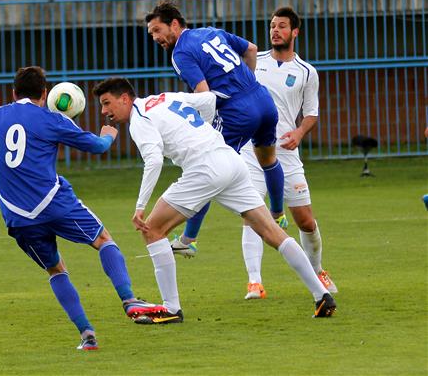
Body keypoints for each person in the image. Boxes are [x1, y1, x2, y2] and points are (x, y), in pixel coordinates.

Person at [0, 67, 167, 351]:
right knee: (103, 240)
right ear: (45, 94)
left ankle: (87, 335)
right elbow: (97, 147)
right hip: (55, 202)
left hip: (18, 217)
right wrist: (108, 134)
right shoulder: (52, 119)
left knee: (56, 269)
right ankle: (129, 300)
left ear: (13, 93)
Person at [94, 77, 337, 322]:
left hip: (204, 168)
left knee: (153, 228)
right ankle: (321, 294)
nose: (104, 111)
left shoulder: (139, 120)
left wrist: (140, 206)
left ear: (125, 98)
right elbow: (209, 99)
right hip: (230, 160)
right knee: (271, 231)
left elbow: (154, 160)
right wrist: (207, 130)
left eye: (107, 103)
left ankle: (171, 309)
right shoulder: (165, 98)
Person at [144, 0, 287, 259]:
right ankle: (278, 212)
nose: (155, 37)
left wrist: (204, 126)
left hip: (235, 111)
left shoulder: (181, 53)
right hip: (263, 99)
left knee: (207, 166)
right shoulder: (210, 31)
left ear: (174, 24)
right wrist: (248, 85)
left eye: (157, 30)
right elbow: (252, 49)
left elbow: (204, 94)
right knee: (268, 159)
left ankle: (189, 239)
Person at [239, 7, 337, 300]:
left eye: (282, 26)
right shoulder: (254, 62)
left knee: (305, 220)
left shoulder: (307, 72)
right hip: (252, 150)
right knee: (252, 211)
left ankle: (317, 269)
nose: (275, 31)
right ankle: (254, 282)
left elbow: (311, 114)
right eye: (272, 26)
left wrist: (298, 133)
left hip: (285, 152)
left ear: (295, 32)